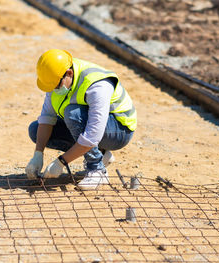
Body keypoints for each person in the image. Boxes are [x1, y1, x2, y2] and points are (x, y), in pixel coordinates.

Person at [25, 49, 137, 190]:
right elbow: (47, 118)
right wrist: (38, 154)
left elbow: (92, 135)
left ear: (69, 74)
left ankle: (97, 169)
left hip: (119, 130)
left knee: (73, 114)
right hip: (94, 125)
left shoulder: (97, 85)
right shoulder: (56, 79)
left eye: (55, 86)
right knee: (36, 130)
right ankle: (101, 154)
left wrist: (61, 162)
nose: (53, 90)